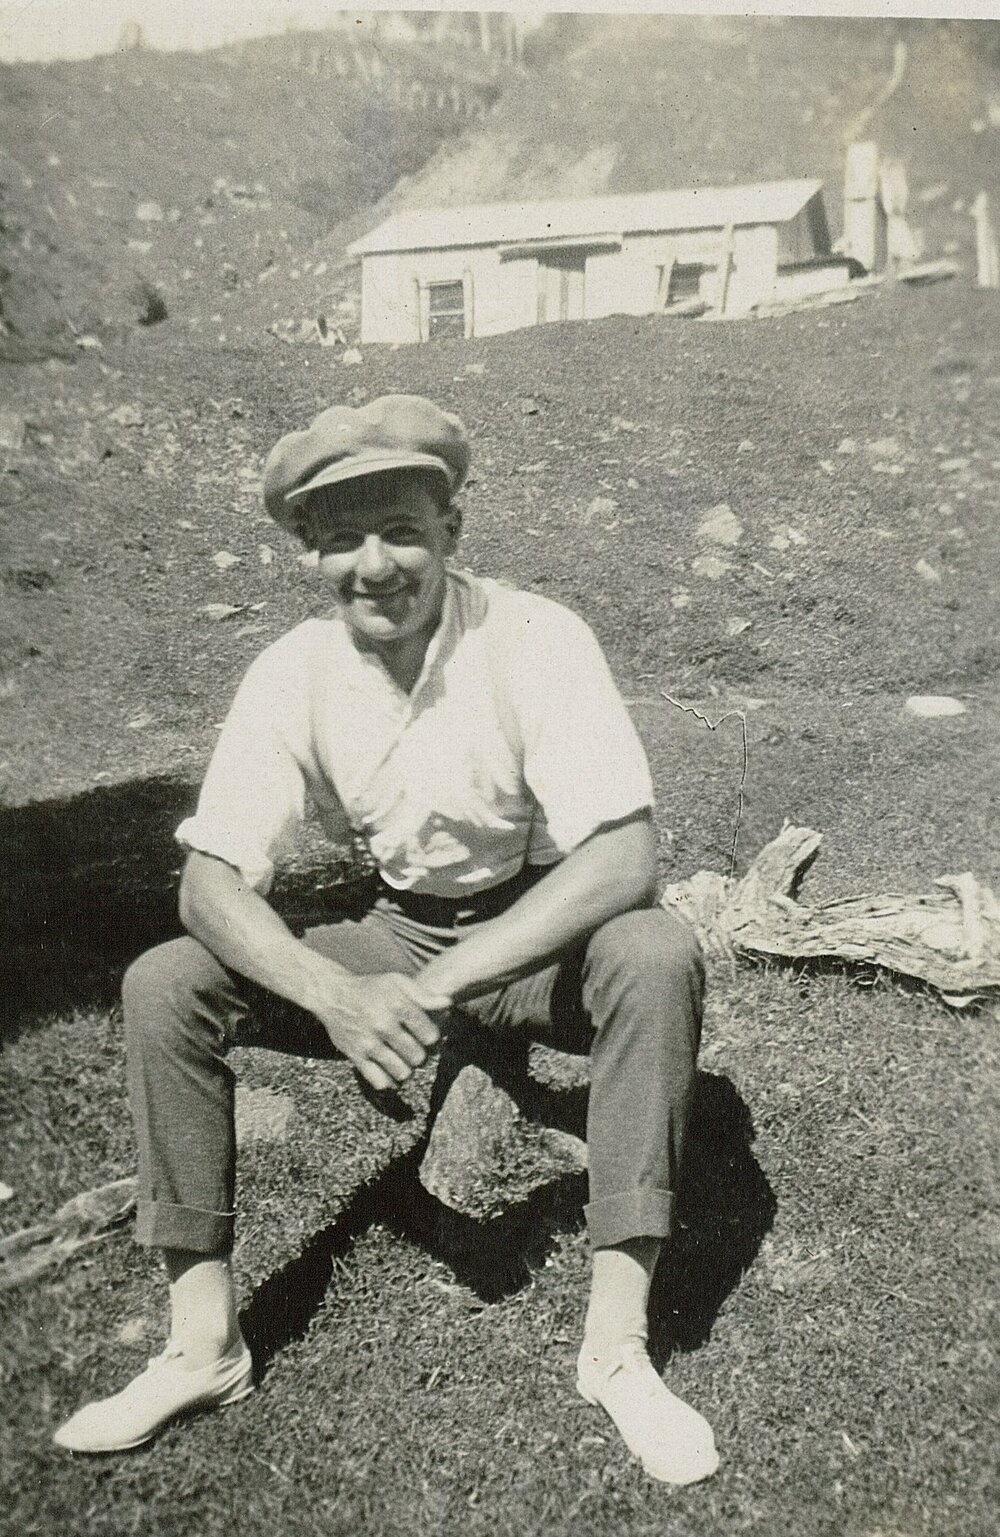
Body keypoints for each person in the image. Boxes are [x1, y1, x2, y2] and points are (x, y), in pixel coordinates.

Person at [53, 394, 717, 1485]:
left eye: (402, 528)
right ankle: (203, 1342)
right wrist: (333, 990)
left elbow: (623, 857)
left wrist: (445, 980)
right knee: (168, 982)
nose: (375, 564)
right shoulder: (291, 672)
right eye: (340, 537)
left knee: (654, 953)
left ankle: (618, 1347)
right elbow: (210, 882)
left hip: (545, 931)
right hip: (400, 930)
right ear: (308, 552)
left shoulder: (535, 635)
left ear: (452, 529)